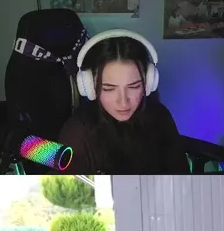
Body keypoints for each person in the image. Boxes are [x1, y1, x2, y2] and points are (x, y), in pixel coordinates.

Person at [58, 30, 186, 175]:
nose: (123, 102)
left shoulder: (160, 116)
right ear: (89, 86)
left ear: (149, 82)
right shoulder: (76, 132)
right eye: (109, 89)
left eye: (134, 86)